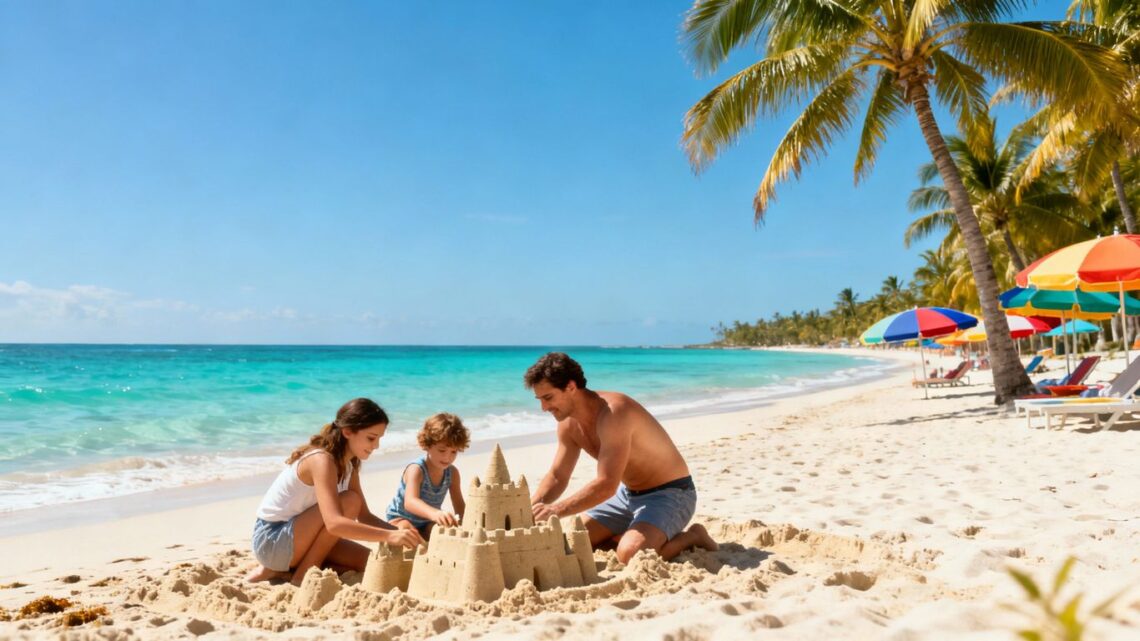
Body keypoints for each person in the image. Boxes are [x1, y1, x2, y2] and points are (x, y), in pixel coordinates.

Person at [525, 352, 718, 564]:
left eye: (548, 398)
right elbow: (557, 476)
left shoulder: (615, 413)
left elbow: (606, 484)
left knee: (631, 555)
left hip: (671, 494)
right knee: (575, 542)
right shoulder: (567, 424)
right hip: (626, 495)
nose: (543, 408)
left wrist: (555, 510)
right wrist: (526, 509)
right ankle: (633, 533)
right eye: (540, 400)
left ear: (571, 387)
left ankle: (693, 536)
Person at [247, 398, 424, 585]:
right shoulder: (321, 460)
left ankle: (282, 571)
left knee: (369, 562)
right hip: (272, 540)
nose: (376, 446)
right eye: (371, 438)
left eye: (379, 438)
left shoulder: (350, 464)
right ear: (347, 431)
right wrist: (390, 536)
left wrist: (403, 534)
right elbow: (334, 524)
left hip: (301, 540)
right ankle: (301, 575)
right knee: (350, 501)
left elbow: (364, 517)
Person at [384, 412, 470, 539]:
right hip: (400, 519)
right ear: (428, 445)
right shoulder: (417, 469)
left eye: (453, 452)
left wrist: (467, 526)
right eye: (442, 450)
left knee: (443, 533)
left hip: (426, 522)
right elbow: (410, 502)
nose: (447, 457)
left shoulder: (452, 473)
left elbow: (459, 505)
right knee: (408, 531)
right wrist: (435, 513)